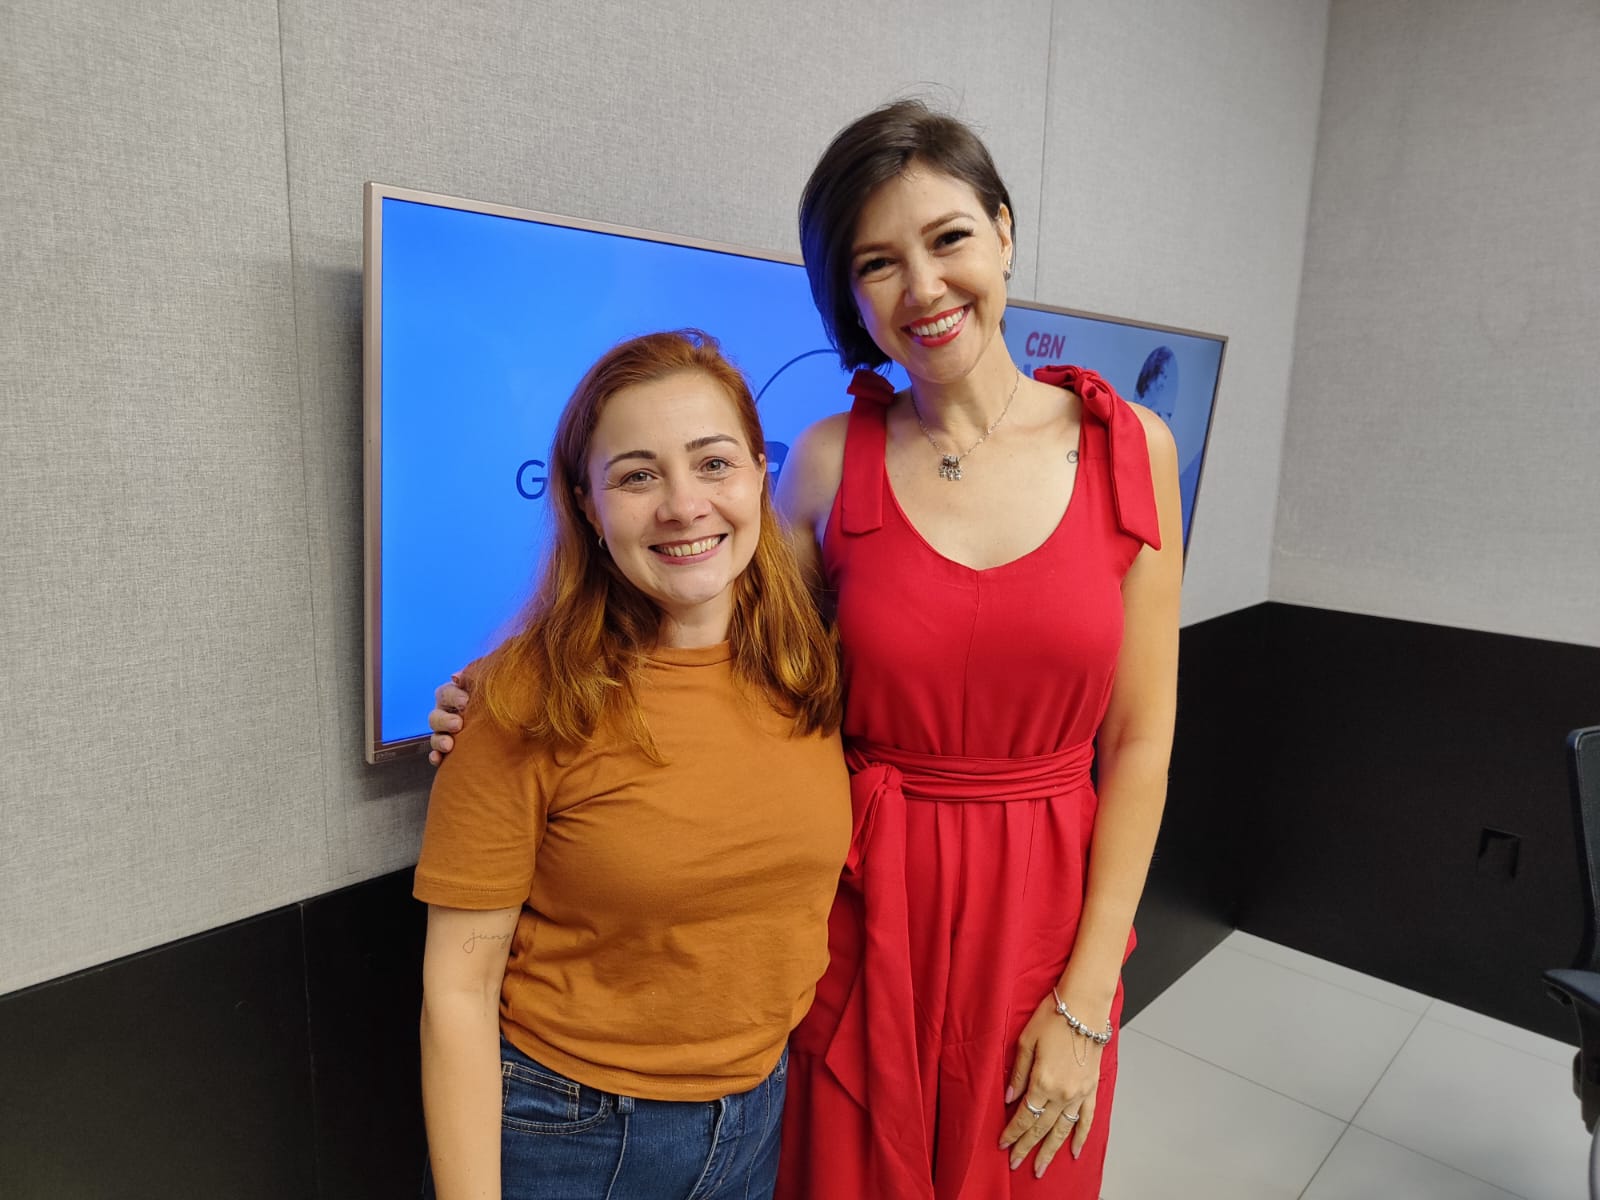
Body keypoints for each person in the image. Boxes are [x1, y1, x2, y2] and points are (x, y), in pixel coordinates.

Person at [431, 102, 1181, 1199]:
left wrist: (1086, 997)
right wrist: (498, 692)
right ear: (848, 297)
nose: (922, 288)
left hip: (1041, 918)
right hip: (854, 916)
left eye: (948, 239)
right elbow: (713, 620)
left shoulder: (1129, 448)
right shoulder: (829, 462)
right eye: (877, 262)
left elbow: (1143, 737)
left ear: (1005, 233)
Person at [414, 329, 851, 1200]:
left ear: (761, 473)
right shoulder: (520, 700)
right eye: (638, 474)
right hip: (567, 1134)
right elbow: (456, 994)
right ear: (586, 504)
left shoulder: (811, 664)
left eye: (713, 463)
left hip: (758, 1113)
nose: (684, 505)